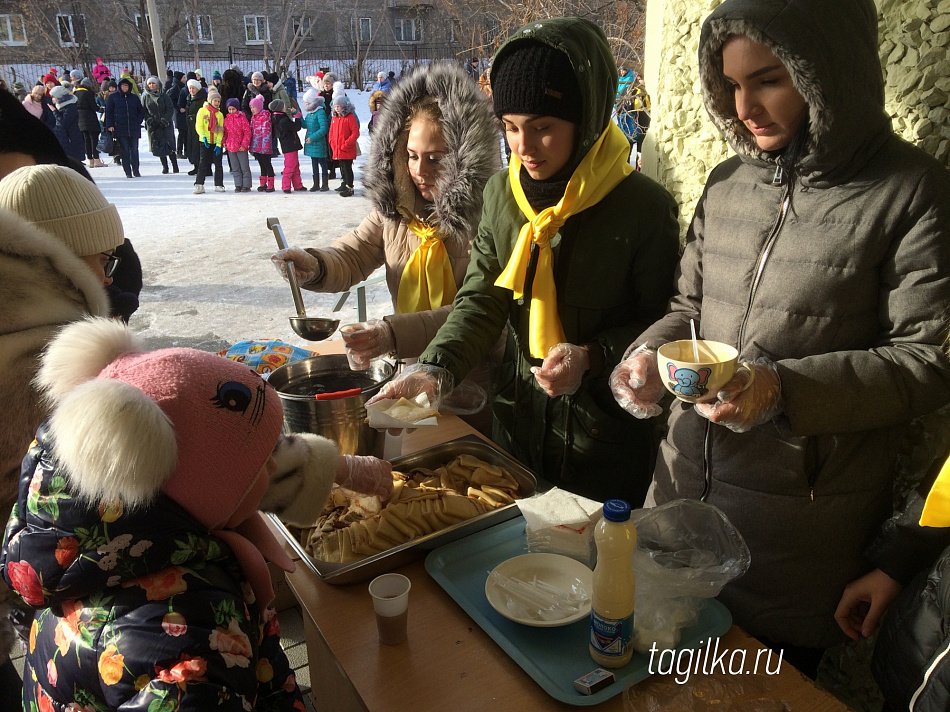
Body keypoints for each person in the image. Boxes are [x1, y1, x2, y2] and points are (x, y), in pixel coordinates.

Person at [608, 0, 950, 679]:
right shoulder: (728, 183)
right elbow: (688, 309)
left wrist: (783, 389)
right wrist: (642, 356)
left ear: (827, 71)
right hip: (676, 516)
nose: (743, 107)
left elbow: (929, 360)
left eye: (766, 79)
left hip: (795, 549)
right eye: (730, 85)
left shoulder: (910, 193)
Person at [0, 316, 393, 711]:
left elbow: (224, 467)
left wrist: (342, 468)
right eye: (261, 465)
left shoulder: (111, 528)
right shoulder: (187, 644)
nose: (273, 470)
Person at [364, 19, 680, 505]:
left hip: (604, 448)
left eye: (543, 128)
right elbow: (481, 300)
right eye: (510, 128)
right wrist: (435, 368)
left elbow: (661, 322)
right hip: (518, 433)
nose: (523, 148)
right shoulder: (502, 195)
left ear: (587, 118)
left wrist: (591, 357)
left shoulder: (642, 208)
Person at [272, 62, 501, 424]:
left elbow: (475, 313)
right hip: (408, 379)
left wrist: (391, 334)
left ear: (465, 159)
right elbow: (353, 253)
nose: (420, 171)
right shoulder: (397, 210)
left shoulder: (491, 219)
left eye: (436, 159)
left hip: (473, 391)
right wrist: (315, 265)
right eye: (411, 156)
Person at [105, 76, 145, 178]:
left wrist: (138, 120)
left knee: (134, 150)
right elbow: (108, 112)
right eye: (123, 85)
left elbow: (141, 110)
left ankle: (136, 170)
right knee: (125, 151)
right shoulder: (113, 97)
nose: (125, 87)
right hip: (120, 128)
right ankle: (127, 171)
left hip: (133, 128)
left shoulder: (134, 97)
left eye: (126, 85)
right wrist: (110, 125)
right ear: (120, 86)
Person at [142, 75, 179, 174]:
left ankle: (175, 165)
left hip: (165, 124)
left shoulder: (164, 96)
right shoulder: (145, 97)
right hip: (153, 125)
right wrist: (150, 120)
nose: (151, 85)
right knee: (158, 145)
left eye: (153, 83)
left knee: (169, 144)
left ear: (158, 85)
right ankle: (165, 166)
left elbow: (170, 109)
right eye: (149, 83)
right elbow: (144, 111)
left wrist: (164, 121)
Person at [194, 89, 225, 194]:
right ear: (210, 100)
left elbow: (221, 130)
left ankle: (219, 184)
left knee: (218, 164)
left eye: (219, 101)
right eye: (215, 101)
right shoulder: (202, 111)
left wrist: (218, 143)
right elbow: (199, 126)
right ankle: (199, 184)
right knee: (203, 163)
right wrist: (203, 137)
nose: (217, 103)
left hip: (216, 143)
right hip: (205, 142)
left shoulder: (220, 115)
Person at [270, 98, 304, 193]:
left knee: (295, 166)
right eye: (283, 105)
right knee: (290, 166)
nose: (285, 106)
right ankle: (286, 186)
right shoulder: (283, 119)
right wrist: (297, 117)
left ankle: (298, 185)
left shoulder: (277, 117)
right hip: (290, 145)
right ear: (280, 108)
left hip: (289, 145)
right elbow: (296, 127)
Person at [328, 94, 358, 197]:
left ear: (344, 106)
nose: (336, 109)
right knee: (341, 167)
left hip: (346, 148)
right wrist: (332, 143)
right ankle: (344, 184)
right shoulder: (335, 118)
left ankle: (350, 187)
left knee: (347, 167)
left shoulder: (350, 117)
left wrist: (347, 144)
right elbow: (331, 132)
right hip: (337, 148)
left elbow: (355, 133)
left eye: (338, 106)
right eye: (335, 107)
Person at [301, 89, 330, 191]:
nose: (306, 103)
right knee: (314, 163)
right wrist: (298, 116)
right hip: (311, 143)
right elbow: (305, 125)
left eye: (307, 101)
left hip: (318, 143)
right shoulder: (310, 113)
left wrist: (312, 138)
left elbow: (324, 128)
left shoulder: (320, 112)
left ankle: (325, 184)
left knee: (322, 163)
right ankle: (316, 184)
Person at [49, 85, 85, 163]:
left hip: (71, 138)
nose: (53, 99)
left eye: (53, 97)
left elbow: (64, 122)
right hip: (64, 137)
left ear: (59, 96)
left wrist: (54, 111)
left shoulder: (70, 107)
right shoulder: (62, 106)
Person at [73, 77, 104, 168]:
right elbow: (94, 107)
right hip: (90, 119)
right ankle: (97, 160)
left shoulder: (75, 93)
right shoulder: (88, 93)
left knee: (86, 140)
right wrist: (101, 109)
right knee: (94, 139)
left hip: (80, 119)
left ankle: (90, 161)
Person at [223, 98, 252, 192]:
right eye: (229, 109)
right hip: (231, 147)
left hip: (241, 147)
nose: (231, 111)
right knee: (235, 167)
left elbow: (247, 132)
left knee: (244, 167)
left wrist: (244, 144)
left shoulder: (242, 119)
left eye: (233, 109)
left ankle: (246, 185)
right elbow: (225, 133)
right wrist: (224, 142)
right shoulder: (226, 120)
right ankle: (238, 184)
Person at [249, 95, 276, 192]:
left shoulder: (265, 116)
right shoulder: (254, 118)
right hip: (256, 145)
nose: (252, 109)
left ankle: (271, 184)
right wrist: (252, 145)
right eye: (251, 107)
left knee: (267, 164)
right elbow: (252, 132)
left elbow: (266, 132)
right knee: (261, 164)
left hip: (264, 146)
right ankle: (263, 183)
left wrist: (266, 145)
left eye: (254, 107)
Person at [182, 78, 207, 175]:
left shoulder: (202, 99)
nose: (191, 90)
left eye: (193, 88)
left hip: (200, 127)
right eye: (190, 88)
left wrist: (193, 117)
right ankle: (196, 166)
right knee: (193, 147)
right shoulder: (189, 98)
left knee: (200, 148)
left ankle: (204, 168)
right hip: (191, 127)